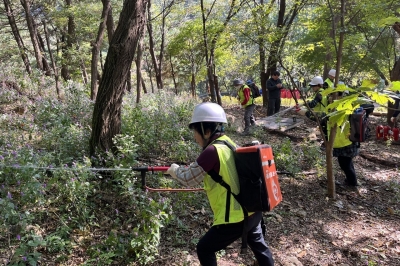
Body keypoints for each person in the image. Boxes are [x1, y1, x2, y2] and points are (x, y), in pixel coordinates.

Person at [165, 102, 274, 266]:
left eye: (195, 131)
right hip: (252, 210)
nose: (194, 136)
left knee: (204, 248)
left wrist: (173, 169)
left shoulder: (211, 151)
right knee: (259, 247)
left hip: (234, 218)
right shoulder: (227, 142)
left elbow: (187, 178)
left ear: (206, 131)